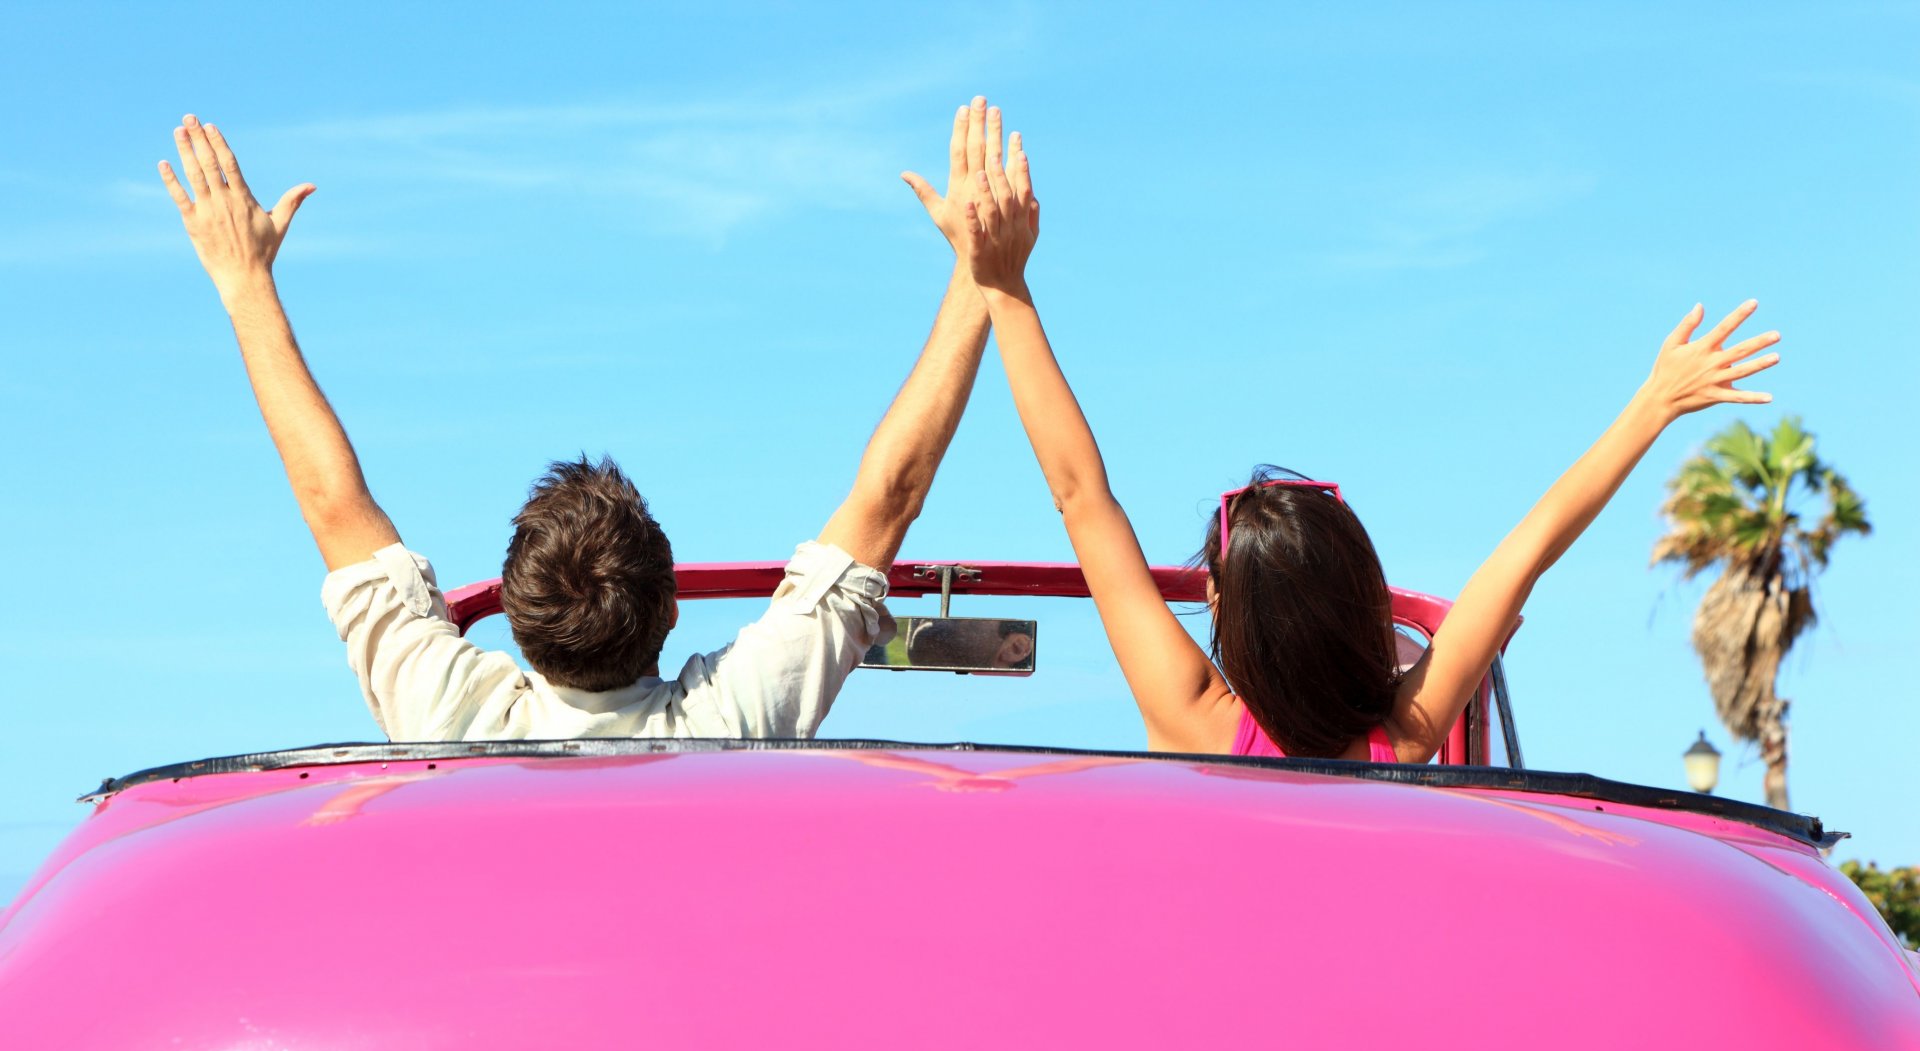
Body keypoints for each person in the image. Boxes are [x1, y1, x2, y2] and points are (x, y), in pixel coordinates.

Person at [936, 109, 1781, 762]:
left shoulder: (1191, 716)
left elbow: (1081, 496)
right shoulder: (1405, 736)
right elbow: (1532, 545)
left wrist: (1003, 286)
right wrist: (1653, 405)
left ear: (1224, 612)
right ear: (1365, 602)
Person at [159, 103, 1003, 741]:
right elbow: (889, 496)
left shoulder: (454, 721)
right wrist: (982, 275)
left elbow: (331, 504)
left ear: (520, 628)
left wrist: (245, 284)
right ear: (669, 611)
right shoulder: (725, 725)